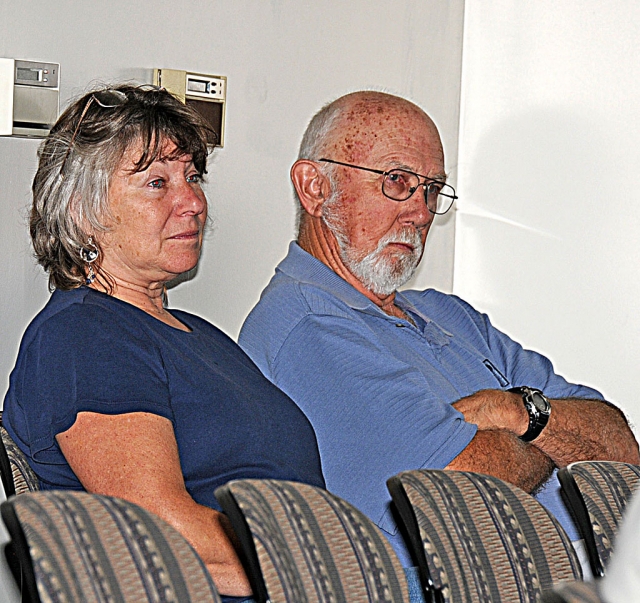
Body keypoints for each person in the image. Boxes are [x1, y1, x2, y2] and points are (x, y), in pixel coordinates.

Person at [238, 90, 639, 598]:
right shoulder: (307, 324)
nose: (421, 213)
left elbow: (619, 446)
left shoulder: (448, 314)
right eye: (397, 182)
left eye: (431, 190)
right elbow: (462, 491)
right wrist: (549, 432)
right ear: (314, 187)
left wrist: (512, 413)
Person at [2, 84, 325, 602]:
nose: (193, 202)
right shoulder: (85, 337)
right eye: (156, 183)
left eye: (192, 177)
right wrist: (328, 573)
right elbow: (159, 529)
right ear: (83, 213)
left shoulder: (199, 334)